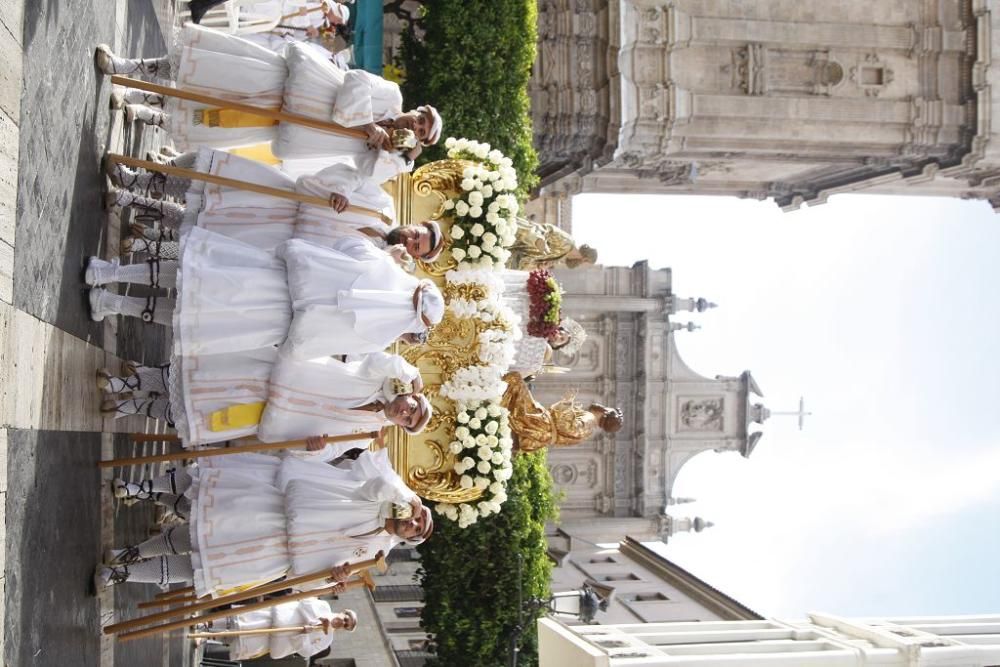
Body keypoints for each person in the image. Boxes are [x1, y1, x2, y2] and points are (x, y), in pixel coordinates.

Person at [94, 24, 441, 182]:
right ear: (416, 110)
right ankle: (129, 66)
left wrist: (402, 160)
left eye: (421, 133)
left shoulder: (382, 152)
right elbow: (355, 81)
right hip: (283, 82)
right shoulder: (391, 96)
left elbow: (365, 175)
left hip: (274, 121)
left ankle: (143, 110)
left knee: (206, 117)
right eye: (420, 120)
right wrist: (367, 124)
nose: (415, 127)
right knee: (207, 72)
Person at [94, 448, 433, 596]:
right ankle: (133, 538)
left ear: (409, 541)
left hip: (272, 558)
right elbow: (376, 480)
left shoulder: (375, 555)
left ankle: (121, 574)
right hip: (271, 513)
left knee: (202, 567)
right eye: (418, 519)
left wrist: (334, 580)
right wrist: (406, 499)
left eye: (417, 531)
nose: (413, 524)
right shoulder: (376, 497)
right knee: (194, 528)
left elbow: (310, 581)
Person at [103, 147, 445, 261]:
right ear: (415, 224)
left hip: (276, 242)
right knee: (211, 186)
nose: (410, 241)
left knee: (205, 224)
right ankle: (137, 179)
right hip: (283, 198)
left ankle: (137, 206)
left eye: (416, 247)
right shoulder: (383, 205)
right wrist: (339, 189)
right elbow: (352, 175)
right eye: (417, 234)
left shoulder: (379, 260)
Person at [96, 346, 432, 446]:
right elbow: (386, 360)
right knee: (203, 378)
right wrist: (412, 374)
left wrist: (311, 452)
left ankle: (135, 405)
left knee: (199, 411)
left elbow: (324, 453)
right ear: (409, 396)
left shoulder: (364, 435)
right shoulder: (377, 375)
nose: (403, 411)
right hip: (273, 374)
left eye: (407, 420)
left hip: (270, 415)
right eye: (411, 407)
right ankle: (128, 381)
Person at [499, 372, 623, 453]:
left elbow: (567, 427)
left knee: (515, 380)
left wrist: (567, 403)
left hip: (540, 425)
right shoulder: (589, 427)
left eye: (607, 407)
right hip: (540, 432)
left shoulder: (589, 419)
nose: (603, 406)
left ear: (606, 413)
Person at [197, 600, 356, 662]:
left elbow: (307, 652)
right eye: (345, 618)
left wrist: (304, 634)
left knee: (241, 638)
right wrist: (316, 621)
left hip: (278, 640)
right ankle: (206, 623)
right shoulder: (324, 607)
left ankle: (207, 636)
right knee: (241, 622)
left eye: (346, 625)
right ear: (343, 612)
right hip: (276, 618)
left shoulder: (327, 640)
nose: (343, 622)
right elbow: (305, 604)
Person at [511, 218, 598, 271]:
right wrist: (538, 239)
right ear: (585, 259)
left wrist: (538, 266)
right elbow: (547, 229)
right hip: (513, 234)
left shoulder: (560, 257)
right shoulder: (567, 242)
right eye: (582, 265)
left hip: (509, 251)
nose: (578, 266)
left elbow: (530, 258)